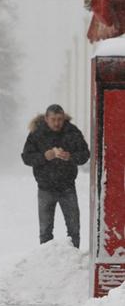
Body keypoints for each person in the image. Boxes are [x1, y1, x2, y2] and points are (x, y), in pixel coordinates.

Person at [21, 104, 90, 248]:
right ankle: (46, 259)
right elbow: (26, 157)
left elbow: (85, 155)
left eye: (60, 119)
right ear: (46, 119)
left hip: (68, 188)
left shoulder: (72, 132)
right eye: (53, 119)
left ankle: (74, 257)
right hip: (45, 188)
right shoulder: (37, 134)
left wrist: (71, 157)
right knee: (45, 230)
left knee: (74, 229)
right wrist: (44, 156)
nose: (57, 123)